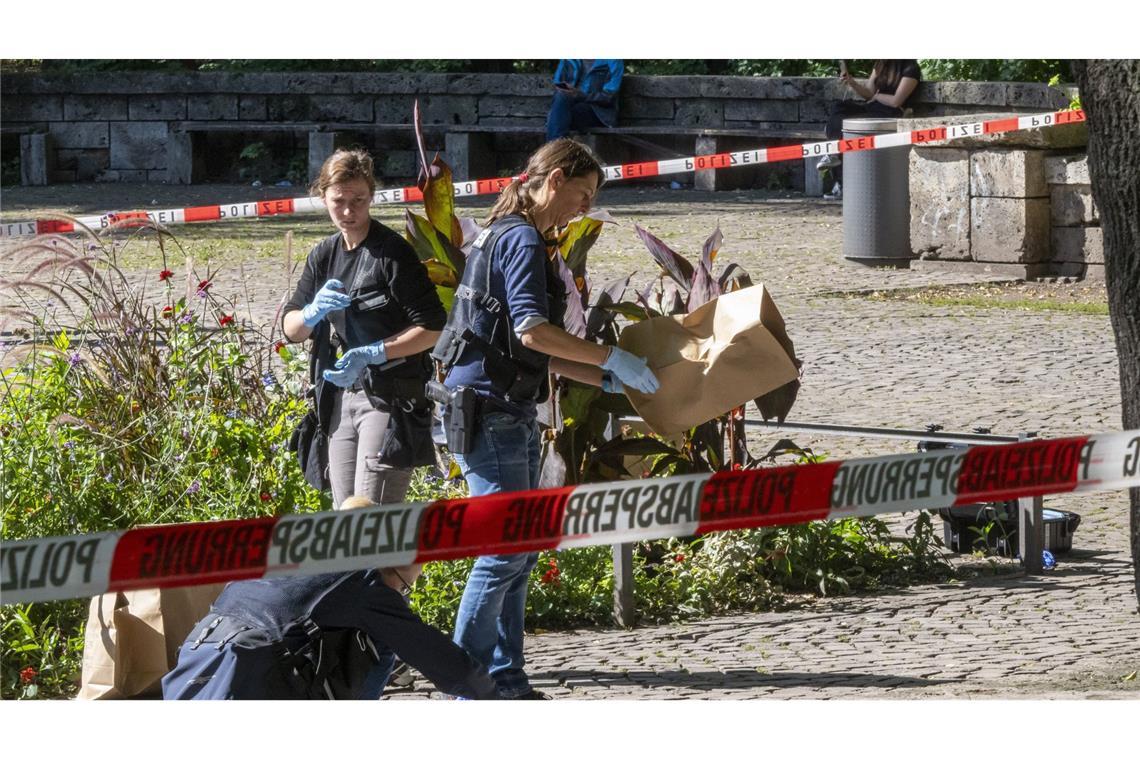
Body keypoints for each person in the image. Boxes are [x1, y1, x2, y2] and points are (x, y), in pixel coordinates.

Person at [429, 138, 660, 699]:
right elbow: (533, 329)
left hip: (496, 407)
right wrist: (610, 357)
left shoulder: (504, 234)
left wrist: (601, 377)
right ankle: (470, 684)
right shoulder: (523, 239)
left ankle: (506, 678)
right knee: (505, 549)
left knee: (519, 549)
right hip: (493, 413)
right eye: (582, 193)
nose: (584, 208)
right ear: (553, 179)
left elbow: (525, 346)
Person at [161, 500, 499, 700]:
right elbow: (436, 655)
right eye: (403, 586)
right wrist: (495, 698)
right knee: (383, 640)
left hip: (198, 662)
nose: (400, 597)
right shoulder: (362, 578)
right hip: (257, 676)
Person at [283, 149, 446, 509]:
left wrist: (375, 352)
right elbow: (291, 327)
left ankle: (390, 568)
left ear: (372, 196)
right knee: (346, 518)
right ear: (322, 197)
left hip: (389, 396)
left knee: (371, 516)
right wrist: (311, 313)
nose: (348, 211)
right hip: (342, 396)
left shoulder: (392, 253)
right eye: (338, 201)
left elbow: (434, 327)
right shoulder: (324, 254)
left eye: (358, 200)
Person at [817, 59, 922, 199]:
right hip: (872, 107)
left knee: (845, 127)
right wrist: (852, 82)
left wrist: (877, 96)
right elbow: (868, 93)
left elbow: (896, 101)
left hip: (889, 113)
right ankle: (834, 156)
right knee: (839, 108)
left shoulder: (911, 68)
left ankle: (839, 177)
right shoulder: (880, 64)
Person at [545, 59, 624, 141]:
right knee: (561, 102)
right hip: (568, 107)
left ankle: (554, 150)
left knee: (558, 117)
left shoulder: (613, 60)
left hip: (597, 112)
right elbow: (558, 84)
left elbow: (609, 97)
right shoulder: (568, 59)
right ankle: (557, 150)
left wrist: (581, 96)